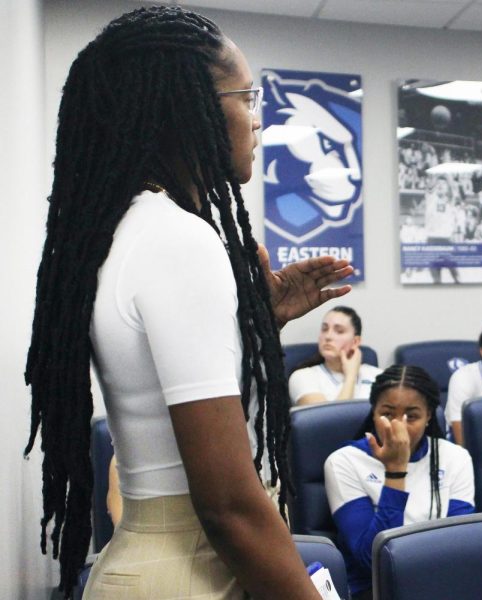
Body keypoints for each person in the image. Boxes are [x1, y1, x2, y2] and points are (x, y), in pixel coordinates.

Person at [24, 7, 353, 598]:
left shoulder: (125, 228)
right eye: (247, 97)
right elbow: (227, 505)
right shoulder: (178, 238)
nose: (258, 120)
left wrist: (256, 328)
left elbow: (157, 389)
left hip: (160, 561)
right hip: (191, 568)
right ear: (186, 111)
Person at [324, 365, 475, 600]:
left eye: (412, 416)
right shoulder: (343, 461)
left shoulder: (455, 458)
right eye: (387, 414)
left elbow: (461, 543)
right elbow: (372, 560)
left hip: (440, 581)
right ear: (373, 412)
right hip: (374, 589)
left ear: (428, 418)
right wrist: (395, 471)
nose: (398, 426)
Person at [288, 307, 382, 405]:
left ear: (355, 342)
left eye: (339, 331)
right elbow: (328, 419)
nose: (328, 337)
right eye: (324, 329)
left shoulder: (378, 376)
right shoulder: (303, 377)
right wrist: (351, 376)